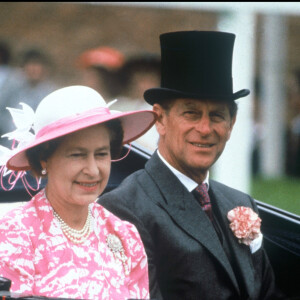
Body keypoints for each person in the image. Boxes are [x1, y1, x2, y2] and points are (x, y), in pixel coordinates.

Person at [99, 31, 284, 299]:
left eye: (217, 116)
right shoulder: (124, 208)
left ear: (231, 125)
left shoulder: (240, 203)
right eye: (191, 113)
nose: (206, 128)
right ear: (160, 120)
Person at [0, 85, 158, 299]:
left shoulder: (124, 235)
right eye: (77, 155)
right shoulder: (15, 234)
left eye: (101, 154)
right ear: (44, 159)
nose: (93, 170)